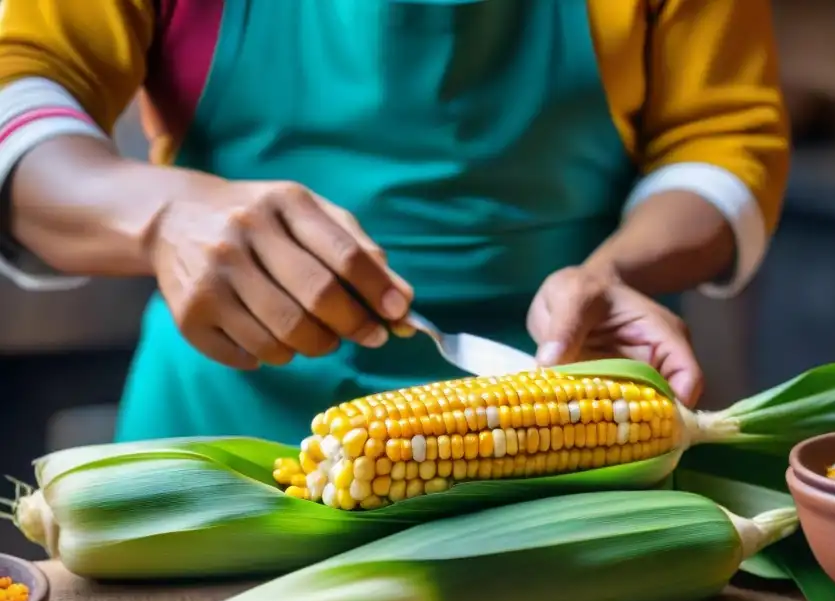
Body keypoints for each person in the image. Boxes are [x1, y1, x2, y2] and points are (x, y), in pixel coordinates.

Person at [0, 0, 788, 447]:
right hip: (226, 431)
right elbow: (21, 82)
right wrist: (160, 215)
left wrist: (619, 273)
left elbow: (720, 140)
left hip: (574, 417)